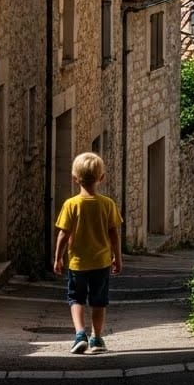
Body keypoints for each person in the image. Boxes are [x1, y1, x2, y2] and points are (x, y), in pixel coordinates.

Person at [52, 151, 123, 354]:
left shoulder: (71, 204)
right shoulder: (108, 204)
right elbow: (114, 235)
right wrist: (118, 258)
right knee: (99, 301)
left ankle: (80, 334)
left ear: (75, 178)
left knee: (76, 298)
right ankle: (96, 339)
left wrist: (58, 258)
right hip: (101, 263)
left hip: (78, 263)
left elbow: (63, 235)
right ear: (102, 178)